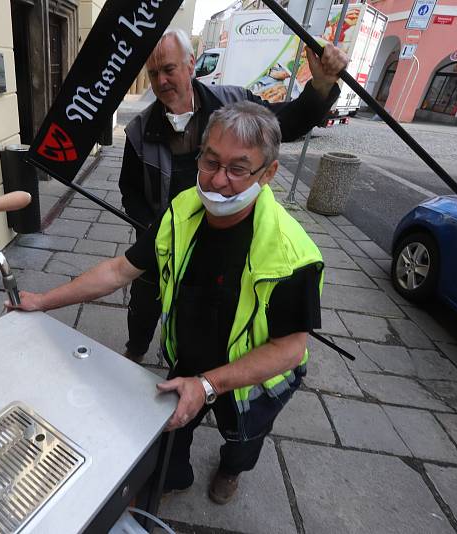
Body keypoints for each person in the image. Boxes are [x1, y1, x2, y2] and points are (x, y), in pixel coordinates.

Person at [8, 102, 323, 504]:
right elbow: (121, 270)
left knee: (243, 435)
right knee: (174, 428)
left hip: (253, 377)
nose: (218, 181)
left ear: (269, 173)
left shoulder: (291, 253)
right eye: (211, 161)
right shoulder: (183, 210)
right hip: (190, 357)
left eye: (239, 169)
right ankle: (173, 475)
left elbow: (291, 349)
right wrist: (43, 301)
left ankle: (232, 468)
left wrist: (210, 385)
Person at [119, 28, 346, 362]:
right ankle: (135, 349)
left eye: (169, 69)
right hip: (165, 237)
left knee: (209, 312)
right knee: (144, 300)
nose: (162, 80)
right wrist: (156, 232)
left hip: (226, 235)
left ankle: (201, 370)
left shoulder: (232, 105)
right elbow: (130, 191)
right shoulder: (138, 131)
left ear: (191, 64)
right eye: (154, 74)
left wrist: (322, 85)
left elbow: (288, 123)